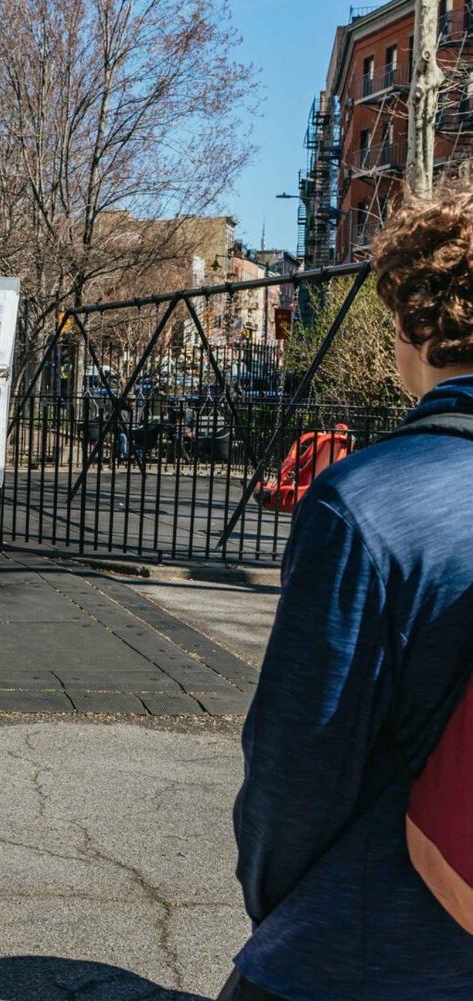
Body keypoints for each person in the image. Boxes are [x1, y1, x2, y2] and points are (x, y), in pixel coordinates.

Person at [224, 181, 473, 1000]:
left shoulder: (367, 502)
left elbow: (297, 766)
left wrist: (277, 901)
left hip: (365, 940)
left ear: (411, 321)